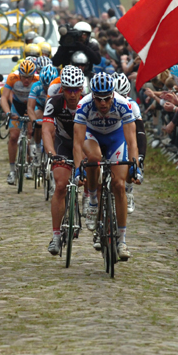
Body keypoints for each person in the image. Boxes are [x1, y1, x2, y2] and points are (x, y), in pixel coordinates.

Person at [73, 73, 141, 259]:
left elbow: (131, 141)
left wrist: (135, 165)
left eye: (107, 98)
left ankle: (122, 240)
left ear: (113, 95)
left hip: (115, 138)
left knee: (119, 185)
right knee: (94, 158)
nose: (103, 103)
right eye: (98, 99)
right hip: (92, 136)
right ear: (92, 96)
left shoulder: (123, 104)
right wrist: (79, 169)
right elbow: (78, 143)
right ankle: (93, 200)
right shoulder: (83, 105)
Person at [41, 66, 84, 255]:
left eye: (76, 89)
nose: (73, 94)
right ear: (62, 89)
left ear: (82, 89)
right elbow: (47, 130)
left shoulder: (89, 103)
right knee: (60, 185)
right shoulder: (55, 102)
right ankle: (56, 236)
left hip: (84, 144)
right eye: (68, 89)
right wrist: (51, 153)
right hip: (63, 145)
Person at [1, 60, 39, 185]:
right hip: (16, 107)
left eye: (29, 77)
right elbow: (4, 97)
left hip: (31, 107)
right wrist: (8, 113)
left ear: (34, 75)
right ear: (19, 74)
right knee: (13, 137)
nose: (26, 80)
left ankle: (29, 165)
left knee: (30, 134)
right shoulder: (12, 78)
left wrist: (33, 115)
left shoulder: (38, 79)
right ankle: (12, 171)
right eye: (24, 77)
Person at [112, 72, 145, 213]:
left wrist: (141, 156)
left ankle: (129, 191)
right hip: (108, 135)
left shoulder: (132, 105)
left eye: (123, 96)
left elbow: (140, 132)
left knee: (130, 160)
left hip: (124, 137)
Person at [27, 64, 58, 164]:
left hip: (54, 109)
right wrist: (34, 122)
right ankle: (38, 148)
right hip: (41, 107)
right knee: (38, 118)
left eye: (49, 86)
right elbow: (30, 108)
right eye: (45, 86)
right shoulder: (36, 86)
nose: (47, 88)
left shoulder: (58, 87)